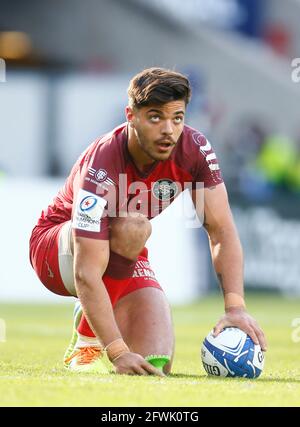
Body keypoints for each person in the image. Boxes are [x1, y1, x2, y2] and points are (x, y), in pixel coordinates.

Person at [29, 67, 267, 376]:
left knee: (154, 363)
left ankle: (96, 310)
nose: (168, 129)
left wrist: (235, 308)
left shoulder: (194, 150)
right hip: (57, 248)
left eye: (177, 118)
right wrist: (115, 351)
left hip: (121, 248)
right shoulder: (103, 163)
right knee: (135, 228)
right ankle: (87, 342)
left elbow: (221, 230)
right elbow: (86, 271)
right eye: (155, 117)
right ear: (131, 115)